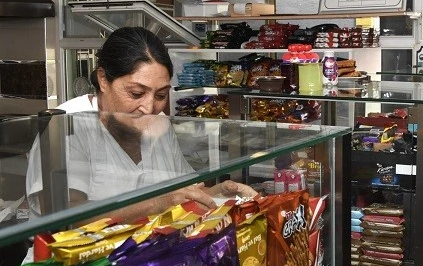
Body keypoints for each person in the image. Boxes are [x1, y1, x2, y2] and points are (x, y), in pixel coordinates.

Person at [26, 27, 255, 224]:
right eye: (136, 93)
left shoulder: (160, 126)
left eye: (160, 95)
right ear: (103, 79)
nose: (149, 107)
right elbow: (65, 217)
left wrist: (219, 195)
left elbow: (186, 194)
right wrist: (158, 204)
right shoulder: (67, 128)